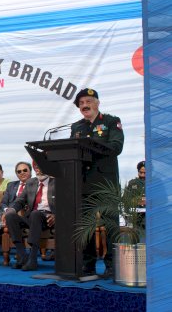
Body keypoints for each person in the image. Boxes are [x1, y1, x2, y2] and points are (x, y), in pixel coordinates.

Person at [70, 88, 124, 277]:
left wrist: (90, 143)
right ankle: (88, 264)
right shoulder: (76, 127)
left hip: (105, 183)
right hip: (83, 183)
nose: (84, 105)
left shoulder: (110, 122)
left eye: (88, 101)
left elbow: (116, 147)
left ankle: (112, 265)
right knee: (87, 227)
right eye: (81, 103)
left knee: (110, 225)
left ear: (97, 103)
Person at [4, 162, 55, 271]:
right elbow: (20, 201)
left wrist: (56, 215)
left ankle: (33, 259)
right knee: (10, 216)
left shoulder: (56, 182)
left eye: (41, 167)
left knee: (35, 214)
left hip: (48, 218)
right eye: (36, 167)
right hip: (32, 218)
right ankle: (22, 255)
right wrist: (11, 209)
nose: (38, 170)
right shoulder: (31, 182)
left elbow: (67, 202)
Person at [0, 161, 33, 265]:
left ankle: (22, 255)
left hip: (28, 216)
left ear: (30, 172)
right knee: (9, 216)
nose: (22, 173)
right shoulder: (11, 185)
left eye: (25, 170)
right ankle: (21, 254)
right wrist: (7, 211)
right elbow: (3, 203)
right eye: (19, 171)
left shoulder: (35, 184)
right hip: (11, 215)